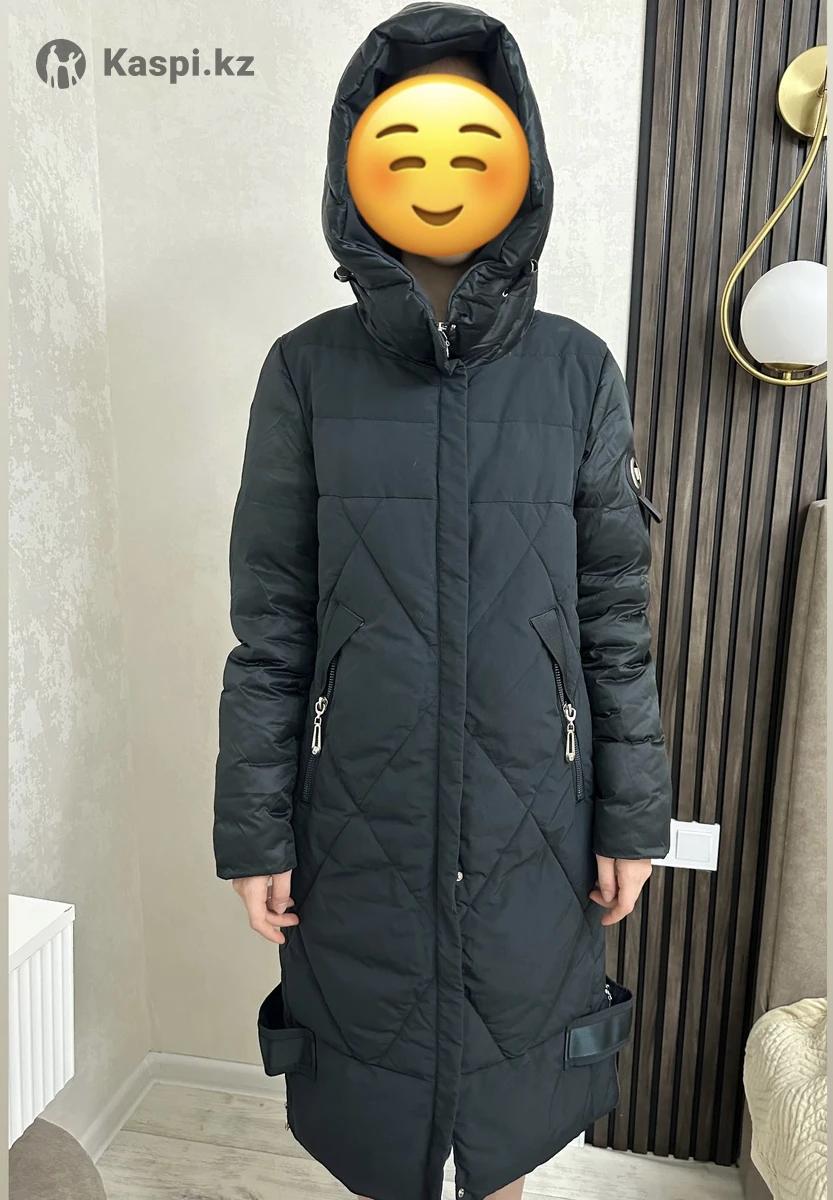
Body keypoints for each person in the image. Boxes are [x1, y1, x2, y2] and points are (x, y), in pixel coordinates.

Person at [213, 6, 673, 1200]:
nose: (436, 176)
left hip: (534, 807)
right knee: (375, 1098)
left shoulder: (576, 369)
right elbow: (271, 625)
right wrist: (255, 833)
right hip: (355, 807)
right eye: (403, 142)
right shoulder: (304, 370)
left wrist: (632, 819)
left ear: (516, 161)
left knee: (508, 1100)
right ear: (355, 163)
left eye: (469, 144)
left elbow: (613, 620)